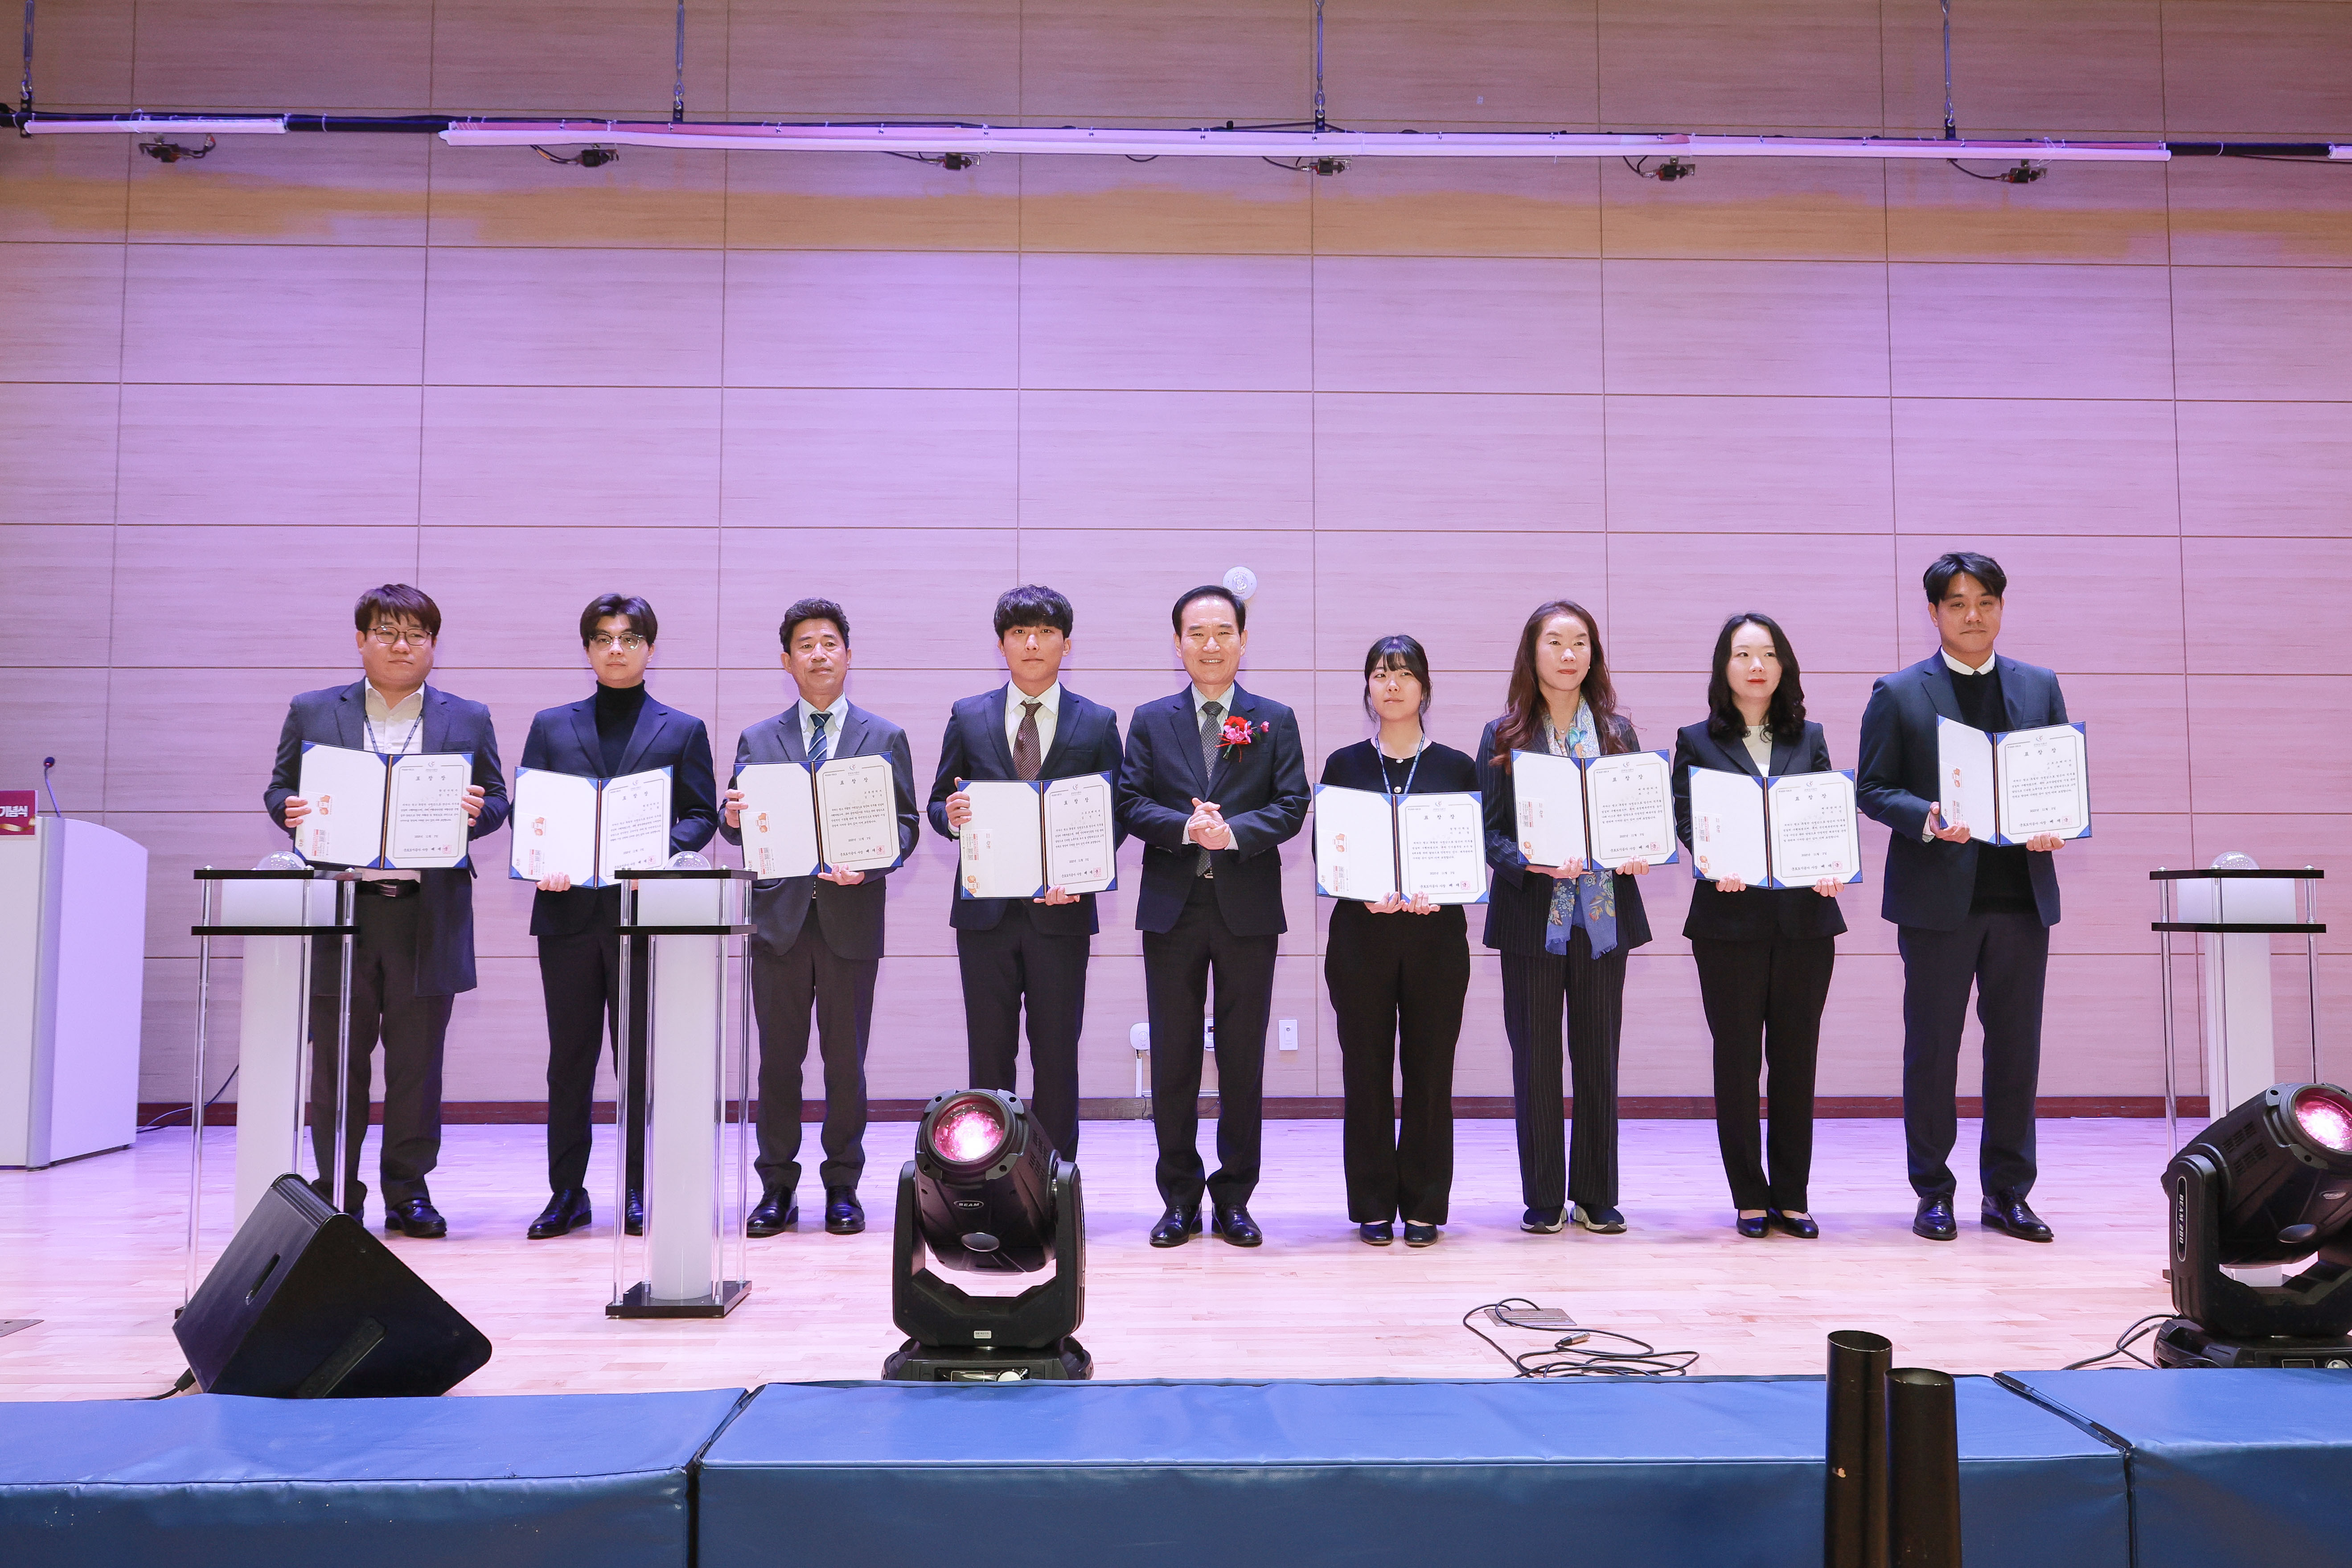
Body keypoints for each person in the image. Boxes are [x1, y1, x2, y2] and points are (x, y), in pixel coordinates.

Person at [268, 584, 507, 1237]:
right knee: (336, 1063)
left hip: (425, 913)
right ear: (361, 639)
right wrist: (288, 810)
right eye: (387, 632)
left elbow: (498, 800)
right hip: (343, 912)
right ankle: (335, 1192)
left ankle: (408, 1192)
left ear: (433, 644)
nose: (402, 646)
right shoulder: (314, 710)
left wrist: (477, 812)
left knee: (416, 1065)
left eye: (416, 635)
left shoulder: (468, 717)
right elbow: (281, 788)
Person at [1858, 552, 2069, 1245]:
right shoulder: (1898, 692)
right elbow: (1872, 789)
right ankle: (1933, 1191)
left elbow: (2056, 778)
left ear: (2001, 607)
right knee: (1932, 1051)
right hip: (1935, 904)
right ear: (1933, 612)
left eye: (1984, 601)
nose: (1971, 614)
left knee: (2016, 1051)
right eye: (1956, 603)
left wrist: (2055, 823)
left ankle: (2008, 1191)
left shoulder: (2039, 685)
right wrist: (1925, 816)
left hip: (2021, 899)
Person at [518, 594, 718, 1240]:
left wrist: (659, 852)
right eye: (603, 638)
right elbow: (531, 813)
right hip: (567, 912)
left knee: (638, 1063)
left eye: (629, 638)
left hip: (643, 918)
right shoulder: (551, 725)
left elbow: (701, 815)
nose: (615, 649)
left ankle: (635, 1189)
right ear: (587, 649)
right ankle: (566, 1192)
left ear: (649, 649)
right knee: (569, 1060)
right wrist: (542, 859)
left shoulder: (682, 728)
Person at [1116, 583, 1309, 1248]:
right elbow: (1129, 801)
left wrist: (1231, 834)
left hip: (1246, 909)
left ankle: (1234, 1198)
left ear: (1243, 641)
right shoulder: (1150, 719)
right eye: (1196, 633)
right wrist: (1184, 826)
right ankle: (1178, 1198)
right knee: (1174, 1058)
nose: (1210, 644)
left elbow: (1292, 803)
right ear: (1178, 644)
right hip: (1172, 909)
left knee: (1242, 1058)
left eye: (1223, 631)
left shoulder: (1273, 718)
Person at [719, 598, 919, 1238]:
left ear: (848, 655)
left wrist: (874, 860)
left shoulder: (884, 737)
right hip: (778, 922)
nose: (818, 654)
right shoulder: (758, 738)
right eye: (805, 644)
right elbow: (741, 827)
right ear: (787, 661)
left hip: (850, 918)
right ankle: (776, 1186)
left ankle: (842, 1185)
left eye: (829, 642)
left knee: (845, 1063)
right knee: (778, 1063)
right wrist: (731, 819)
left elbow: (907, 825)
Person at [928, 585, 1125, 1161]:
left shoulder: (1098, 721)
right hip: (984, 916)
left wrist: (1081, 874)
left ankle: (1056, 1175)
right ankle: (988, 1169)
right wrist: (951, 817)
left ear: (1067, 643)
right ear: (1001, 645)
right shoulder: (968, 715)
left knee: (1057, 1053)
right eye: (1019, 633)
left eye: (1045, 632)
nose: (1032, 643)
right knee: (988, 1055)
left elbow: (1115, 816)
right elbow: (937, 802)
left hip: (1062, 913)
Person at [1475, 599, 1653, 1236]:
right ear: (1532, 652)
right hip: (1532, 919)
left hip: (1603, 919)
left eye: (1580, 642)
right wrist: (1532, 862)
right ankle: (1545, 1194)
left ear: (1593, 654)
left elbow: (1640, 818)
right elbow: (1489, 832)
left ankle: (1597, 1193)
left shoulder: (1618, 733)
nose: (1568, 653)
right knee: (1535, 1060)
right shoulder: (1504, 736)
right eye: (1555, 641)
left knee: (1598, 1057)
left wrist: (1641, 849)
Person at [1670, 612, 1845, 1240]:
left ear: (1783, 666)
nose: (1756, 666)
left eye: (1768, 654)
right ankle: (1748, 1194)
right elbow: (1686, 818)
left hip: (1805, 922)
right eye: (1743, 654)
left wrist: (1830, 863)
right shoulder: (1696, 740)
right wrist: (1713, 859)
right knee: (1738, 1061)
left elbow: (1824, 814)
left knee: (1796, 1061)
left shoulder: (1810, 736)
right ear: (1724, 667)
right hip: (1728, 923)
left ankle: (1792, 1196)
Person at [1319, 636, 1476, 1248]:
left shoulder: (1456, 767)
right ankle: (1371, 1204)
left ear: (1424, 688)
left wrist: (1447, 887)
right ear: (1367, 687)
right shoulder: (1343, 765)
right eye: (1381, 674)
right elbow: (1327, 852)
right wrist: (1360, 890)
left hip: (1437, 937)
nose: (1392, 684)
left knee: (1430, 1074)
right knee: (1365, 1072)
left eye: (1405, 674)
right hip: (1361, 937)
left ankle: (1425, 1204)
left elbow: (1471, 853)